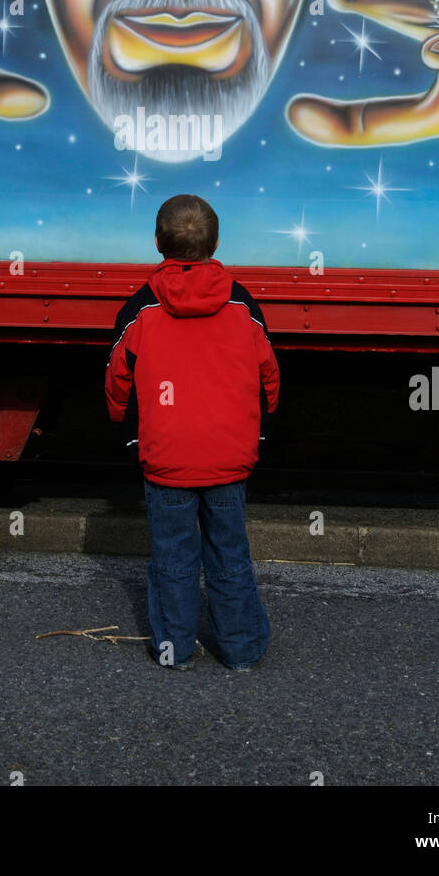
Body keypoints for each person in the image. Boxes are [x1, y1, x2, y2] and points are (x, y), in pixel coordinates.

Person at [105, 193, 280, 670]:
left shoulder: (140, 308)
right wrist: (258, 430)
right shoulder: (243, 304)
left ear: (158, 243)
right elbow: (269, 376)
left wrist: (124, 426)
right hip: (229, 455)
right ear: (216, 242)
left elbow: (117, 377)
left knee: (172, 558)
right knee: (229, 553)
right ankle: (241, 649)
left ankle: (174, 649)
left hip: (166, 457)